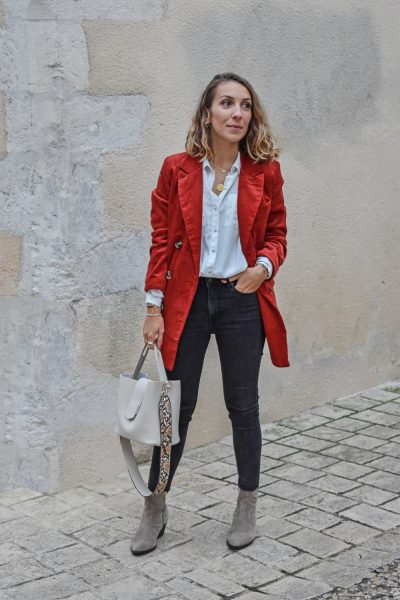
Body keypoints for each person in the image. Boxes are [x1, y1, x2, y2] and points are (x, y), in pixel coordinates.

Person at [131, 72, 289, 555]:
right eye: (226, 103)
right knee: (175, 408)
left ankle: (247, 503)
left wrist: (262, 268)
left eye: (245, 105)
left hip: (241, 299)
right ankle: (155, 504)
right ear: (207, 113)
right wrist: (154, 306)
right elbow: (161, 240)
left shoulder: (265, 171)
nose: (237, 113)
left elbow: (277, 234)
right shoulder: (176, 169)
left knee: (243, 404)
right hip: (189, 300)